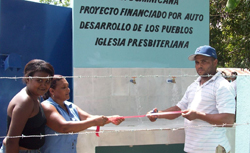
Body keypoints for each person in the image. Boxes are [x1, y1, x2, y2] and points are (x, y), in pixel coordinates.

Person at [147, 45, 235, 153]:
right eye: (197, 62)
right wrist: (158, 114)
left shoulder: (222, 86)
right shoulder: (194, 86)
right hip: (193, 149)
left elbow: (228, 120)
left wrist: (197, 115)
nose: (200, 66)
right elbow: (178, 109)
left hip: (213, 150)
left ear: (215, 62)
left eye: (204, 61)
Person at [40, 75, 124, 153]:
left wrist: (111, 119)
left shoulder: (71, 106)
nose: (68, 89)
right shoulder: (47, 106)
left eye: (67, 86)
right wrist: (94, 122)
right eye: (63, 87)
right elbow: (64, 127)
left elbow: (89, 118)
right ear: (52, 91)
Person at [0, 59, 55, 153]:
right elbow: (11, 141)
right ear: (28, 79)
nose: (44, 85)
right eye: (39, 80)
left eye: (48, 81)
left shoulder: (35, 97)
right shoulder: (25, 101)